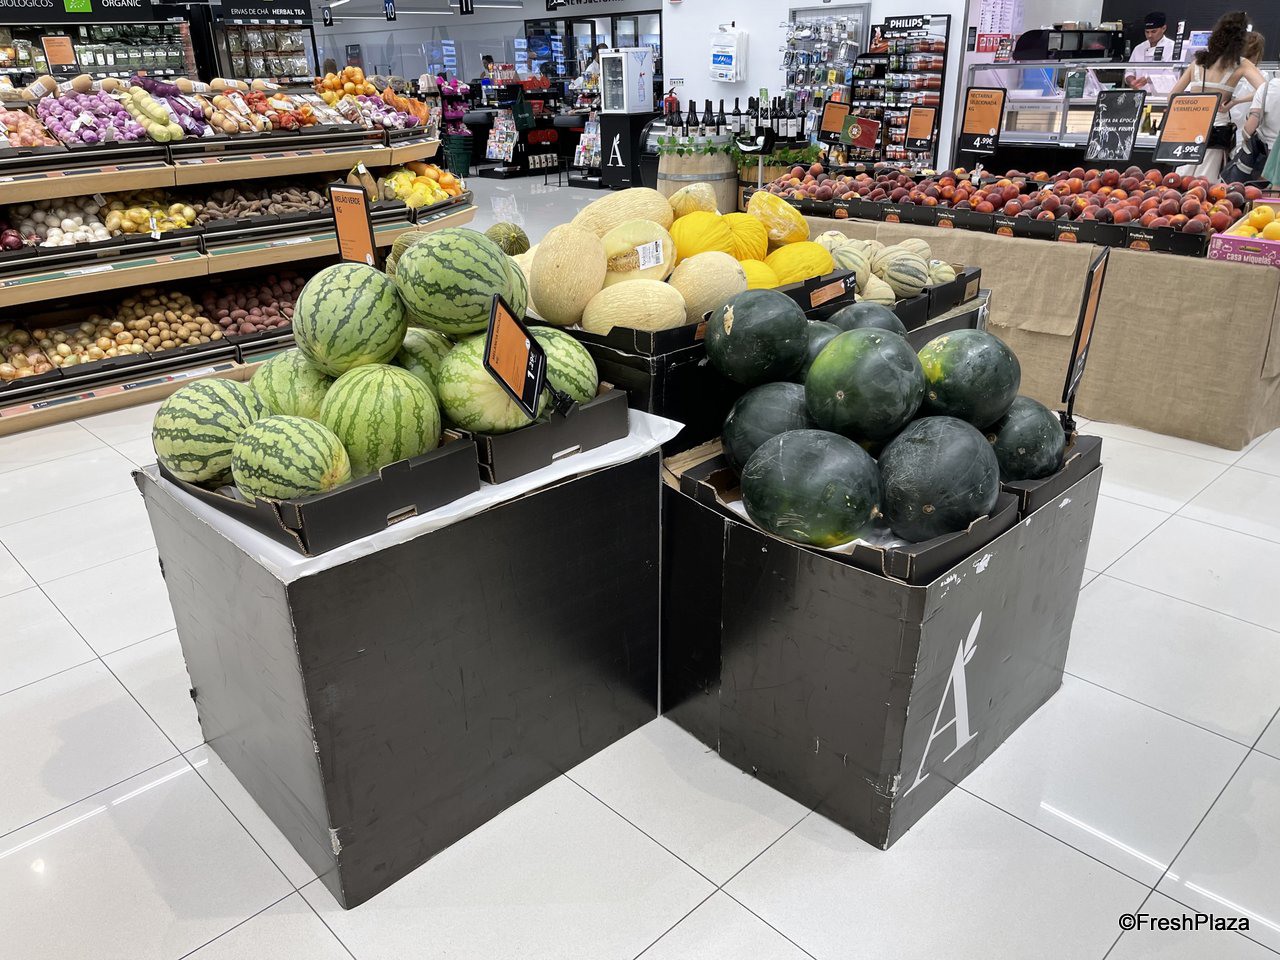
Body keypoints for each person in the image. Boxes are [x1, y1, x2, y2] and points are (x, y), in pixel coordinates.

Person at [1167, 11, 1266, 180]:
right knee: (1206, 182)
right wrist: (1235, 102)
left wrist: (1188, 109)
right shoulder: (1240, 64)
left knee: (1181, 178)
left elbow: (1172, 97)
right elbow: (1265, 89)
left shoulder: (1197, 63)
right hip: (1217, 129)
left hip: (1189, 127)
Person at [1227, 31, 1266, 152]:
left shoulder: (1228, 72)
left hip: (1227, 127)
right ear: (1258, 52)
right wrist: (1237, 101)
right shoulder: (1261, 76)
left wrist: (1235, 101)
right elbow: (1264, 91)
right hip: (1246, 130)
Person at [1125, 13, 1177, 94]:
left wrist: (1148, 79)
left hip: (1162, 95)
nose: (1149, 35)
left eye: (1153, 31)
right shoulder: (1139, 48)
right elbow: (1129, 70)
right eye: (1147, 32)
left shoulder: (1172, 48)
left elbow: (1171, 76)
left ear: (1164, 28)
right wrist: (1131, 81)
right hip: (1139, 94)